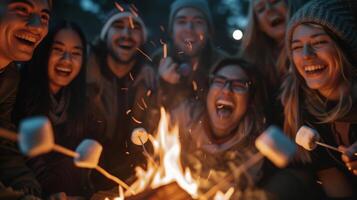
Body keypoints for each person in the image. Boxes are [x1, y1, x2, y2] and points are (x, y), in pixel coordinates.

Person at [282, 0, 357, 199]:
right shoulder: (307, 114)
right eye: (296, 47)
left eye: (319, 42)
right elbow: (339, 192)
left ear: (344, 48)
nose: (306, 55)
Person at [13, 20, 92, 199]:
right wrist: (51, 191)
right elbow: (17, 158)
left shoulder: (83, 103)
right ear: (43, 51)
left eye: (75, 53)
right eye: (58, 50)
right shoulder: (17, 92)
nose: (67, 60)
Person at [172, 57, 268, 198]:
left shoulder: (257, 144)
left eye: (239, 85)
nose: (227, 90)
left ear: (250, 100)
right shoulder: (183, 118)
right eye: (219, 81)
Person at [86, 5, 157, 190]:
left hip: (131, 184)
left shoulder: (150, 83)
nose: (127, 33)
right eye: (118, 26)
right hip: (81, 182)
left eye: (135, 28)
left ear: (142, 39)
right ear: (106, 34)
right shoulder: (81, 76)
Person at [0, 0, 51, 198]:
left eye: (45, 16)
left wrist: (26, 184)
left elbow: (3, 142)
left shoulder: (10, 77)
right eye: (22, 9)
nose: (37, 26)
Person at [152, 0, 228, 111]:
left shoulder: (225, 66)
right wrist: (163, 84)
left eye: (198, 22)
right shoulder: (155, 61)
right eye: (181, 21)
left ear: (209, 30)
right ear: (171, 30)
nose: (189, 29)